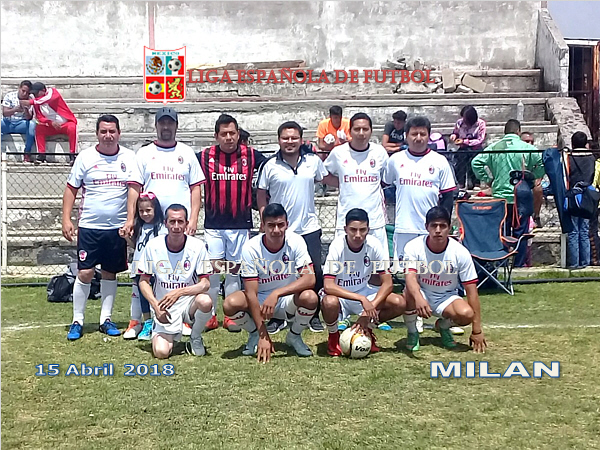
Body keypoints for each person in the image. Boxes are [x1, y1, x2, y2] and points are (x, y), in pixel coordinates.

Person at [62, 115, 136, 341]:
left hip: (116, 228)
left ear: (119, 133)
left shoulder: (129, 157)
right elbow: (71, 188)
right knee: (85, 272)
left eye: (112, 131)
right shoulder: (86, 157)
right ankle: (77, 320)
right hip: (89, 226)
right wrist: (66, 219)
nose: (108, 135)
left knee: (109, 272)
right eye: (103, 131)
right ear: (97, 134)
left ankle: (106, 319)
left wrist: (130, 219)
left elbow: (134, 189)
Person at [382, 115, 457, 334]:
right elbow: (385, 185)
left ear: (428, 136)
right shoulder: (396, 160)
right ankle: (413, 319)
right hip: (405, 228)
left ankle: (442, 315)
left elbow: (448, 196)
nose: (418, 137)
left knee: (434, 273)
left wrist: (443, 224)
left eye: (422, 134)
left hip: (430, 231)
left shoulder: (439, 161)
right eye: (414, 133)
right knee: (409, 276)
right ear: (406, 136)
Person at [257, 121, 330, 334]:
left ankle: (313, 314)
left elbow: (328, 179)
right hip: (280, 230)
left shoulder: (313, 161)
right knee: (278, 273)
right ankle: (277, 317)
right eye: (285, 138)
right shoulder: (269, 165)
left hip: (308, 228)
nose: (290, 142)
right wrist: (264, 220)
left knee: (315, 272)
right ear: (279, 140)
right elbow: (261, 194)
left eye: (294, 138)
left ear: (301, 139)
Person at [197, 114, 267, 332]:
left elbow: (277, 163)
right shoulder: (204, 156)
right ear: (216, 136)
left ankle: (231, 315)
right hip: (214, 224)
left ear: (238, 134)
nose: (228, 137)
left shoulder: (251, 155)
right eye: (224, 134)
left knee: (235, 270)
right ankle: (210, 315)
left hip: (240, 224)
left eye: (232, 133)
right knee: (213, 271)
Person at [222, 203, 318, 362]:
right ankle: (254, 335)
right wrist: (263, 334)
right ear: (262, 226)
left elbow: (310, 278)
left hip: (287, 299)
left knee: (310, 297)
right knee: (229, 304)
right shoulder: (251, 248)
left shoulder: (296, 241)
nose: (276, 230)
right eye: (271, 225)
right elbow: (251, 293)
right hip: (261, 301)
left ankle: (294, 336)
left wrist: (277, 293)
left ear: (287, 224)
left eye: (280, 225)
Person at [321, 208, 407, 356]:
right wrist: (361, 299)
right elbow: (328, 286)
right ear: (345, 229)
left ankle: (367, 330)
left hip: (364, 291)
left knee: (399, 302)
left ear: (368, 229)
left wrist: (368, 311)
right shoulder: (337, 245)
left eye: (362, 230)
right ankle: (333, 336)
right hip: (342, 296)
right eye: (353, 230)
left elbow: (387, 283)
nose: (358, 235)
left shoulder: (374, 244)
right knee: (329, 302)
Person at [403, 206, 487, 353]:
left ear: (449, 228)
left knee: (466, 314)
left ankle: (443, 326)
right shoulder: (413, 247)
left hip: (446, 297)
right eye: (434, 225)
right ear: (426, 227)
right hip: (422, 292)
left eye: (442, 226)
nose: (438, 230)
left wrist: (477, 330)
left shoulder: (460, 252)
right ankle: (412, 332)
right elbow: (410, 277)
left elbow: (471, 291)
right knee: (409, 292)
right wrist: (419, 298)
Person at [137, 204, 214, 358]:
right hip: (164, 306)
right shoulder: (153, 246)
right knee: (161, 353)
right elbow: (143, 281)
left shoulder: (198, 246)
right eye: (172, 221)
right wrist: (156, 306)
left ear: (187, 224)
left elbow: (205, 284)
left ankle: (195, 337)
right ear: (165, 223)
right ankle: (163, 330)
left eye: (180, 222)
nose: (176, 226)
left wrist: (179, 292)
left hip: (188, 303)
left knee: (205, 301)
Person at [471, 119, 545, 267]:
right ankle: (518, 264)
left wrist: (488, 179)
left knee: (501, 230)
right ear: (518, 131)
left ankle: (501, 262)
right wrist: (533, 177)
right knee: (521, 231)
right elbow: (542, 162)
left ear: (504, 132)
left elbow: (476, 162)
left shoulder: (494, 147)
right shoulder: (526, 147)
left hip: (500, 196)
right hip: (521, 194)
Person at [124, 107, 203, 238]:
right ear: (156, 125)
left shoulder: (187, 152)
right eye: (162, 123)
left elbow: (195, 189)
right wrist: (130, 219)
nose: (166, 127)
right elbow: (134, 188)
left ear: (176, 126)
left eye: (170, 123)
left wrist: (194, 219)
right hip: (151, 222)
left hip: (179, 224)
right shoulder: (144, 153)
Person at [122, 192, 166, 341]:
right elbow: (136, 246)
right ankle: (147, 322)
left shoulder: (162, 227)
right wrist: (126, 237)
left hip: (155, 267)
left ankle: (159, 321)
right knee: (143, 296)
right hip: (140, 266)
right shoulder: (139, 226)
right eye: (141, 211)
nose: (145, 214)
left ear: (155, 209)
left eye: (148, 210)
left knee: (157, 295)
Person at [27, 82, 78, 164]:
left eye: (36, 93)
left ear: (43, 90)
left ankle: (73, 155)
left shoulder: (52, 92)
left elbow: (48, 98)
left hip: (64, 124)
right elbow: (39, 117)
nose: (35, 95)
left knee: (72, 127)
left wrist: (31, 102)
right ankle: (41, 155)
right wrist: (51, 123)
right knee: (39, 128)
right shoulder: (37, 101)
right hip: (51, 126)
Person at [566, 132, 596, 269]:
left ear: (573, 143)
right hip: (586, 196)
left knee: (573, 231)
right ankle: (585, 262)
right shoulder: (591, 157)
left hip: (573, 195)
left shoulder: (569, 157)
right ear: (585, 143)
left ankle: (574, 263)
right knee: (584, 230)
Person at [450, 106, 486, 189]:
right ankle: (460, 183)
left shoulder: (480, 124)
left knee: (474, 161)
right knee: (460, 160)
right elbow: (456, 132)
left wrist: (465, 141)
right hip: (463, 148)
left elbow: (480, 139)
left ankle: (476, 183)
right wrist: (454, 136)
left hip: (475, 148)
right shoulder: (459, 123)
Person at [1, 80, 36, 162]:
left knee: (32, 125)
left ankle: (27, 153)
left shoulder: (30, 99)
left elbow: (29, 118)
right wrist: (15, 109)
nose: (24, 94)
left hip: (20, 124)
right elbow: (5, 113)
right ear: (19, 88)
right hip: (7, 123)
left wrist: (26, 110)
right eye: (23, 91)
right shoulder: (9, 96)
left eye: (27, 92)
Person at [521, 132, 544, 228]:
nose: (530, 144)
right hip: (516, 180)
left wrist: (538, 178)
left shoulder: (535, 153)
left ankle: (536, 216)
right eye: (527, 141)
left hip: (530, 180)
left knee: (538, 189)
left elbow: (541, 166)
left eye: (532, 142)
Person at [590, 141, 600, 266]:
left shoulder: (597, 164)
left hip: (596, 202)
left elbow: (593, 184)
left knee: (592, 230)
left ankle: (595, 258)